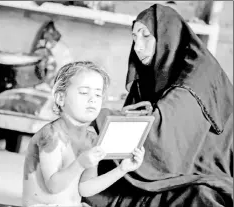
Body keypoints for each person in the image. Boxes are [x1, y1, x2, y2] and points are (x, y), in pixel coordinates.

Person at [83, 3, 233, 207]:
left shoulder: (196, 77)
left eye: (146, 36)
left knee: (200, 197)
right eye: (134, 37)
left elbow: (161, 138)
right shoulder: (153, 72)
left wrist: (100, 117)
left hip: (199, 169)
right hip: (164, 167)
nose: (137, 46)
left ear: (167, 36)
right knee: (88, 183)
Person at [22, 61, 145, 207]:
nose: (92, 99)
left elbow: (85, 189)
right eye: (84, 92)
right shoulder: (50, 135)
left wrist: (122, 169)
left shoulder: (91, 139)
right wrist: (80, 163)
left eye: (98, 94)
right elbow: (53, 186)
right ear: (61, 98)